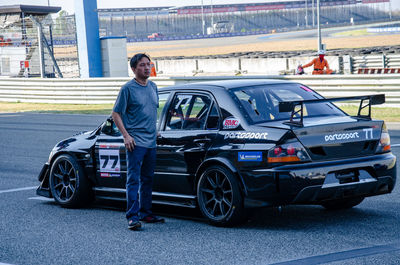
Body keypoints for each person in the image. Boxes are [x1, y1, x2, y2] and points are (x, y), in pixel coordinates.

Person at [112, 53, 164, 230]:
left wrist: (155, 130)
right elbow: (116, 113)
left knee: (148, 179)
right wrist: (126, 136)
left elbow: (151, 111)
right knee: (133, 179)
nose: (147, 68)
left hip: (151, 142)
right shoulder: (128, 89)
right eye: (142, 65)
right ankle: (132, 217)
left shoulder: (153, 86)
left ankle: (146, 213)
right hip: (136, 142)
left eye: (149, 64)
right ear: (134, 69)